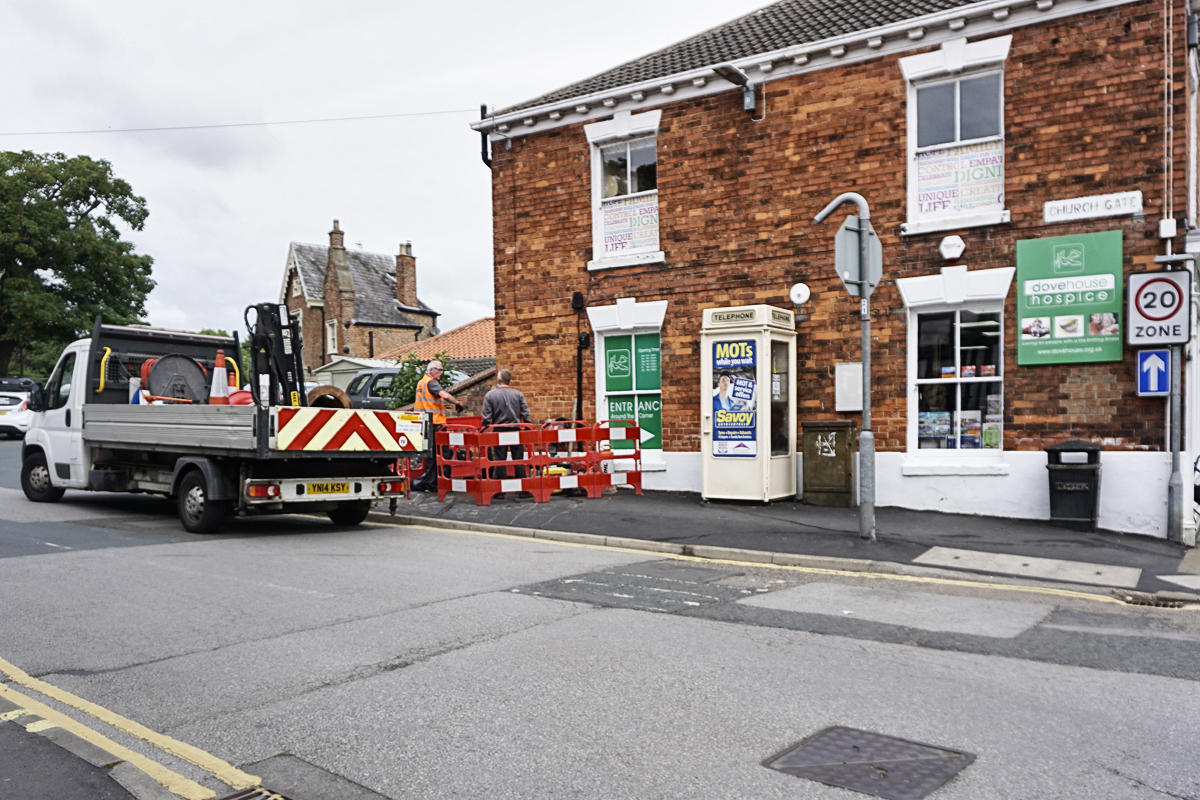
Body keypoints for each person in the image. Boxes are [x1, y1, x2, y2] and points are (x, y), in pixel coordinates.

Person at [413, 360, 463, 492]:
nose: (441, 373)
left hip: (426, 423)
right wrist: (457, 403)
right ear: (431, 370)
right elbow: (444, 395)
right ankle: (443, 482)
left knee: (431, 456)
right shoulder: (431, 382)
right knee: (443, 453)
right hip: (436, 424)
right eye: (439, 370)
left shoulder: (421, 382)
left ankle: (431, 484)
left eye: (442, 370)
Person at [481, 369, 531, 480]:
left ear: (499, 379)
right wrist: (528, 426)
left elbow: (486, 416)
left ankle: (499, 491)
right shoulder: (518, 394)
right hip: (516, 430)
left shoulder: (490, 395)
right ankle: (523, 488)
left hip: (500, 430)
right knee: (518, 459)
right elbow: (525, 413)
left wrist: (484, 428)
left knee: (500, 459)